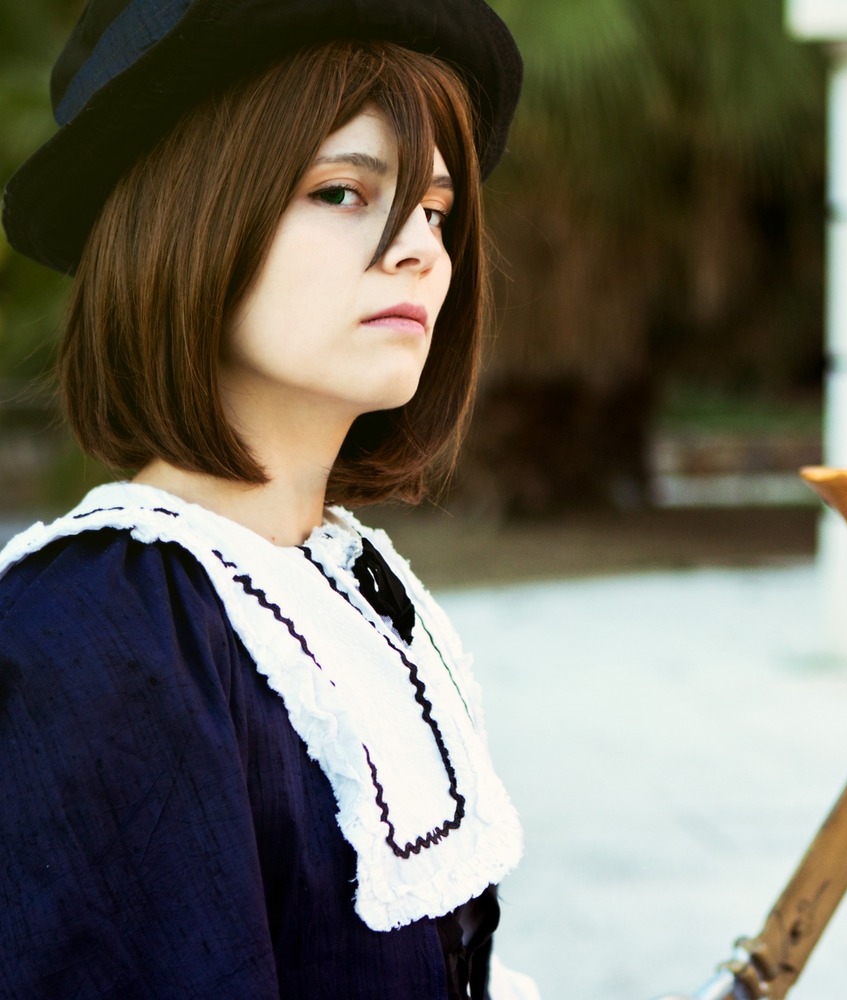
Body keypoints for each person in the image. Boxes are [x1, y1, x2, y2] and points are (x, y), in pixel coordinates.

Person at [0, 1, 537, 996]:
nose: (419, 248)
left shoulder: (352, 581)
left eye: (435, 209)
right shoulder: (94, 632)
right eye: (342, 191)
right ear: (186, 222)